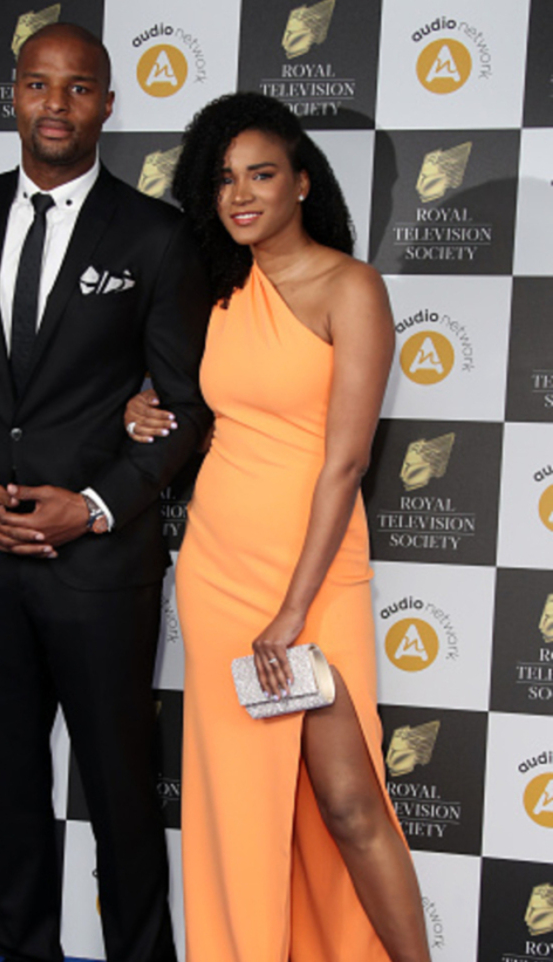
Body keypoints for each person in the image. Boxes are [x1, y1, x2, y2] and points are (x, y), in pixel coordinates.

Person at [0, 23, 212, 962]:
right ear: (13, 96)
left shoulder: (157, 236)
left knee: (121, 791)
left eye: (79, 89)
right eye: (39, 84)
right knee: (7, 789)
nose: (56, 105)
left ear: (108, 105)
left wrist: (99, 503)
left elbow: (188, 409)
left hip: (99, 565)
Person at [123, 93, 432, 962]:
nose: (241, 194)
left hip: (314, 573)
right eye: (223, 179)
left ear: (302, 181)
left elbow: (346, 462)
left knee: (346, 797)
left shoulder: (351, 287)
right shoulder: (216, 293)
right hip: (221, 568)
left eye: (261, 174)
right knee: (242, 802)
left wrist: (295, 610)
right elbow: (192, 401)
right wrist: (140, 404)